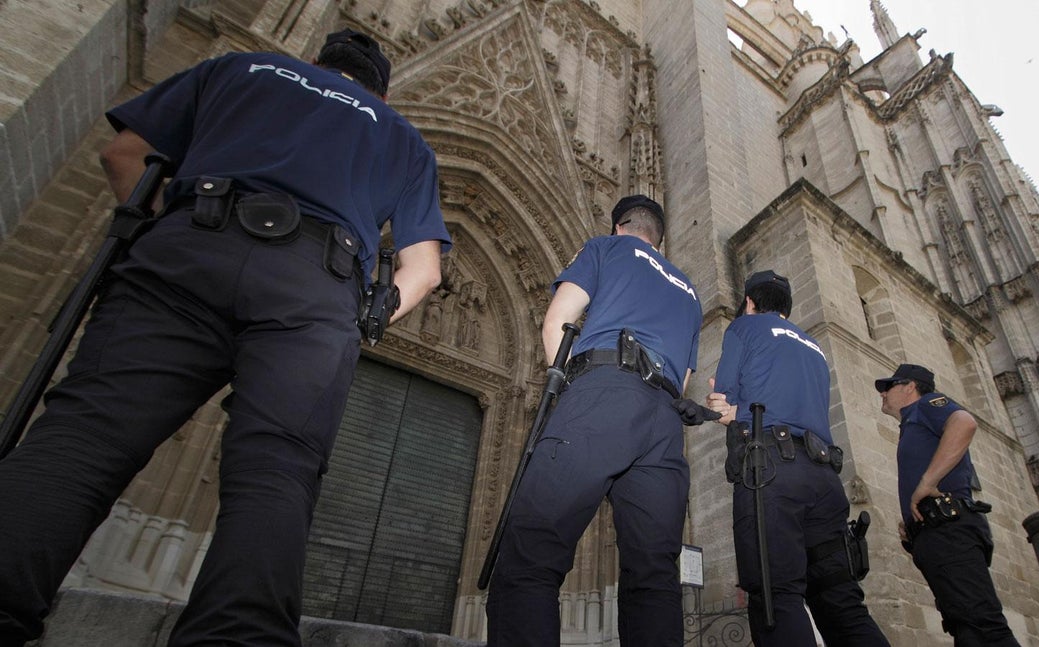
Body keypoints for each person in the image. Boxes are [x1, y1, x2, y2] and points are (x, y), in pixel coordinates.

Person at [0, 29, 449, 647]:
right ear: (381, 92)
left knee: (86, 434)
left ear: (314, 62)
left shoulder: (242, 69)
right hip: (317, 284)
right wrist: (355, 319)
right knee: (278, 471)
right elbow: (424, 271)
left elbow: (123, 155)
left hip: (190, 241)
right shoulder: (402, 137)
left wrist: (176, 233)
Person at [485, 195, 707, 646]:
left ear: (619, 226)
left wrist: (572, 400)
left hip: (605, 390)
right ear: (658, 238)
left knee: (531, 549)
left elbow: (558, 321)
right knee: (653, 577)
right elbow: (682, 378)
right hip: (663, 419)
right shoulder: (689, 291)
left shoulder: (606, 249)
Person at [707, 271, 889, 646]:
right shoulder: (814, 346)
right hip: (823, 478)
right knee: (840, 599)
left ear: (750, 303)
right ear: (787, 310)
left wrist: (722, 403)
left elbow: (724, 401)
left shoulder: (745, 328)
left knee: (776, 594)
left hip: (772, 472)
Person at [875, 364, 1020, 646]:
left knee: (983, 625)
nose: (883, 393)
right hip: (934, 532)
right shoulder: (911, 424)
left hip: (949, 529)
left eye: (889, 386)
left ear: (910, 387)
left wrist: (928, 482)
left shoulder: (927, 405)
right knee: (966, 629)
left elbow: (964, 423)